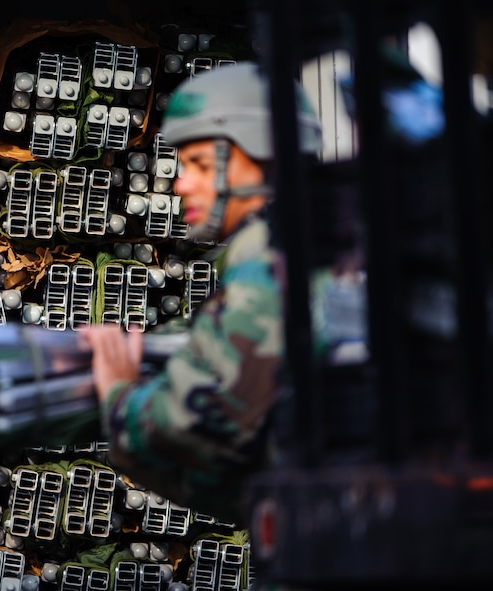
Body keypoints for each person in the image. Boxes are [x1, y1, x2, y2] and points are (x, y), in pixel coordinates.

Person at [83, 62, 322, 525]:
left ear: (260, 159)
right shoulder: (318, 246)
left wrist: (117, 391)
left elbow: (185, 430)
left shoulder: (268, 266)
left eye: (200, 165)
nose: (180, 183)